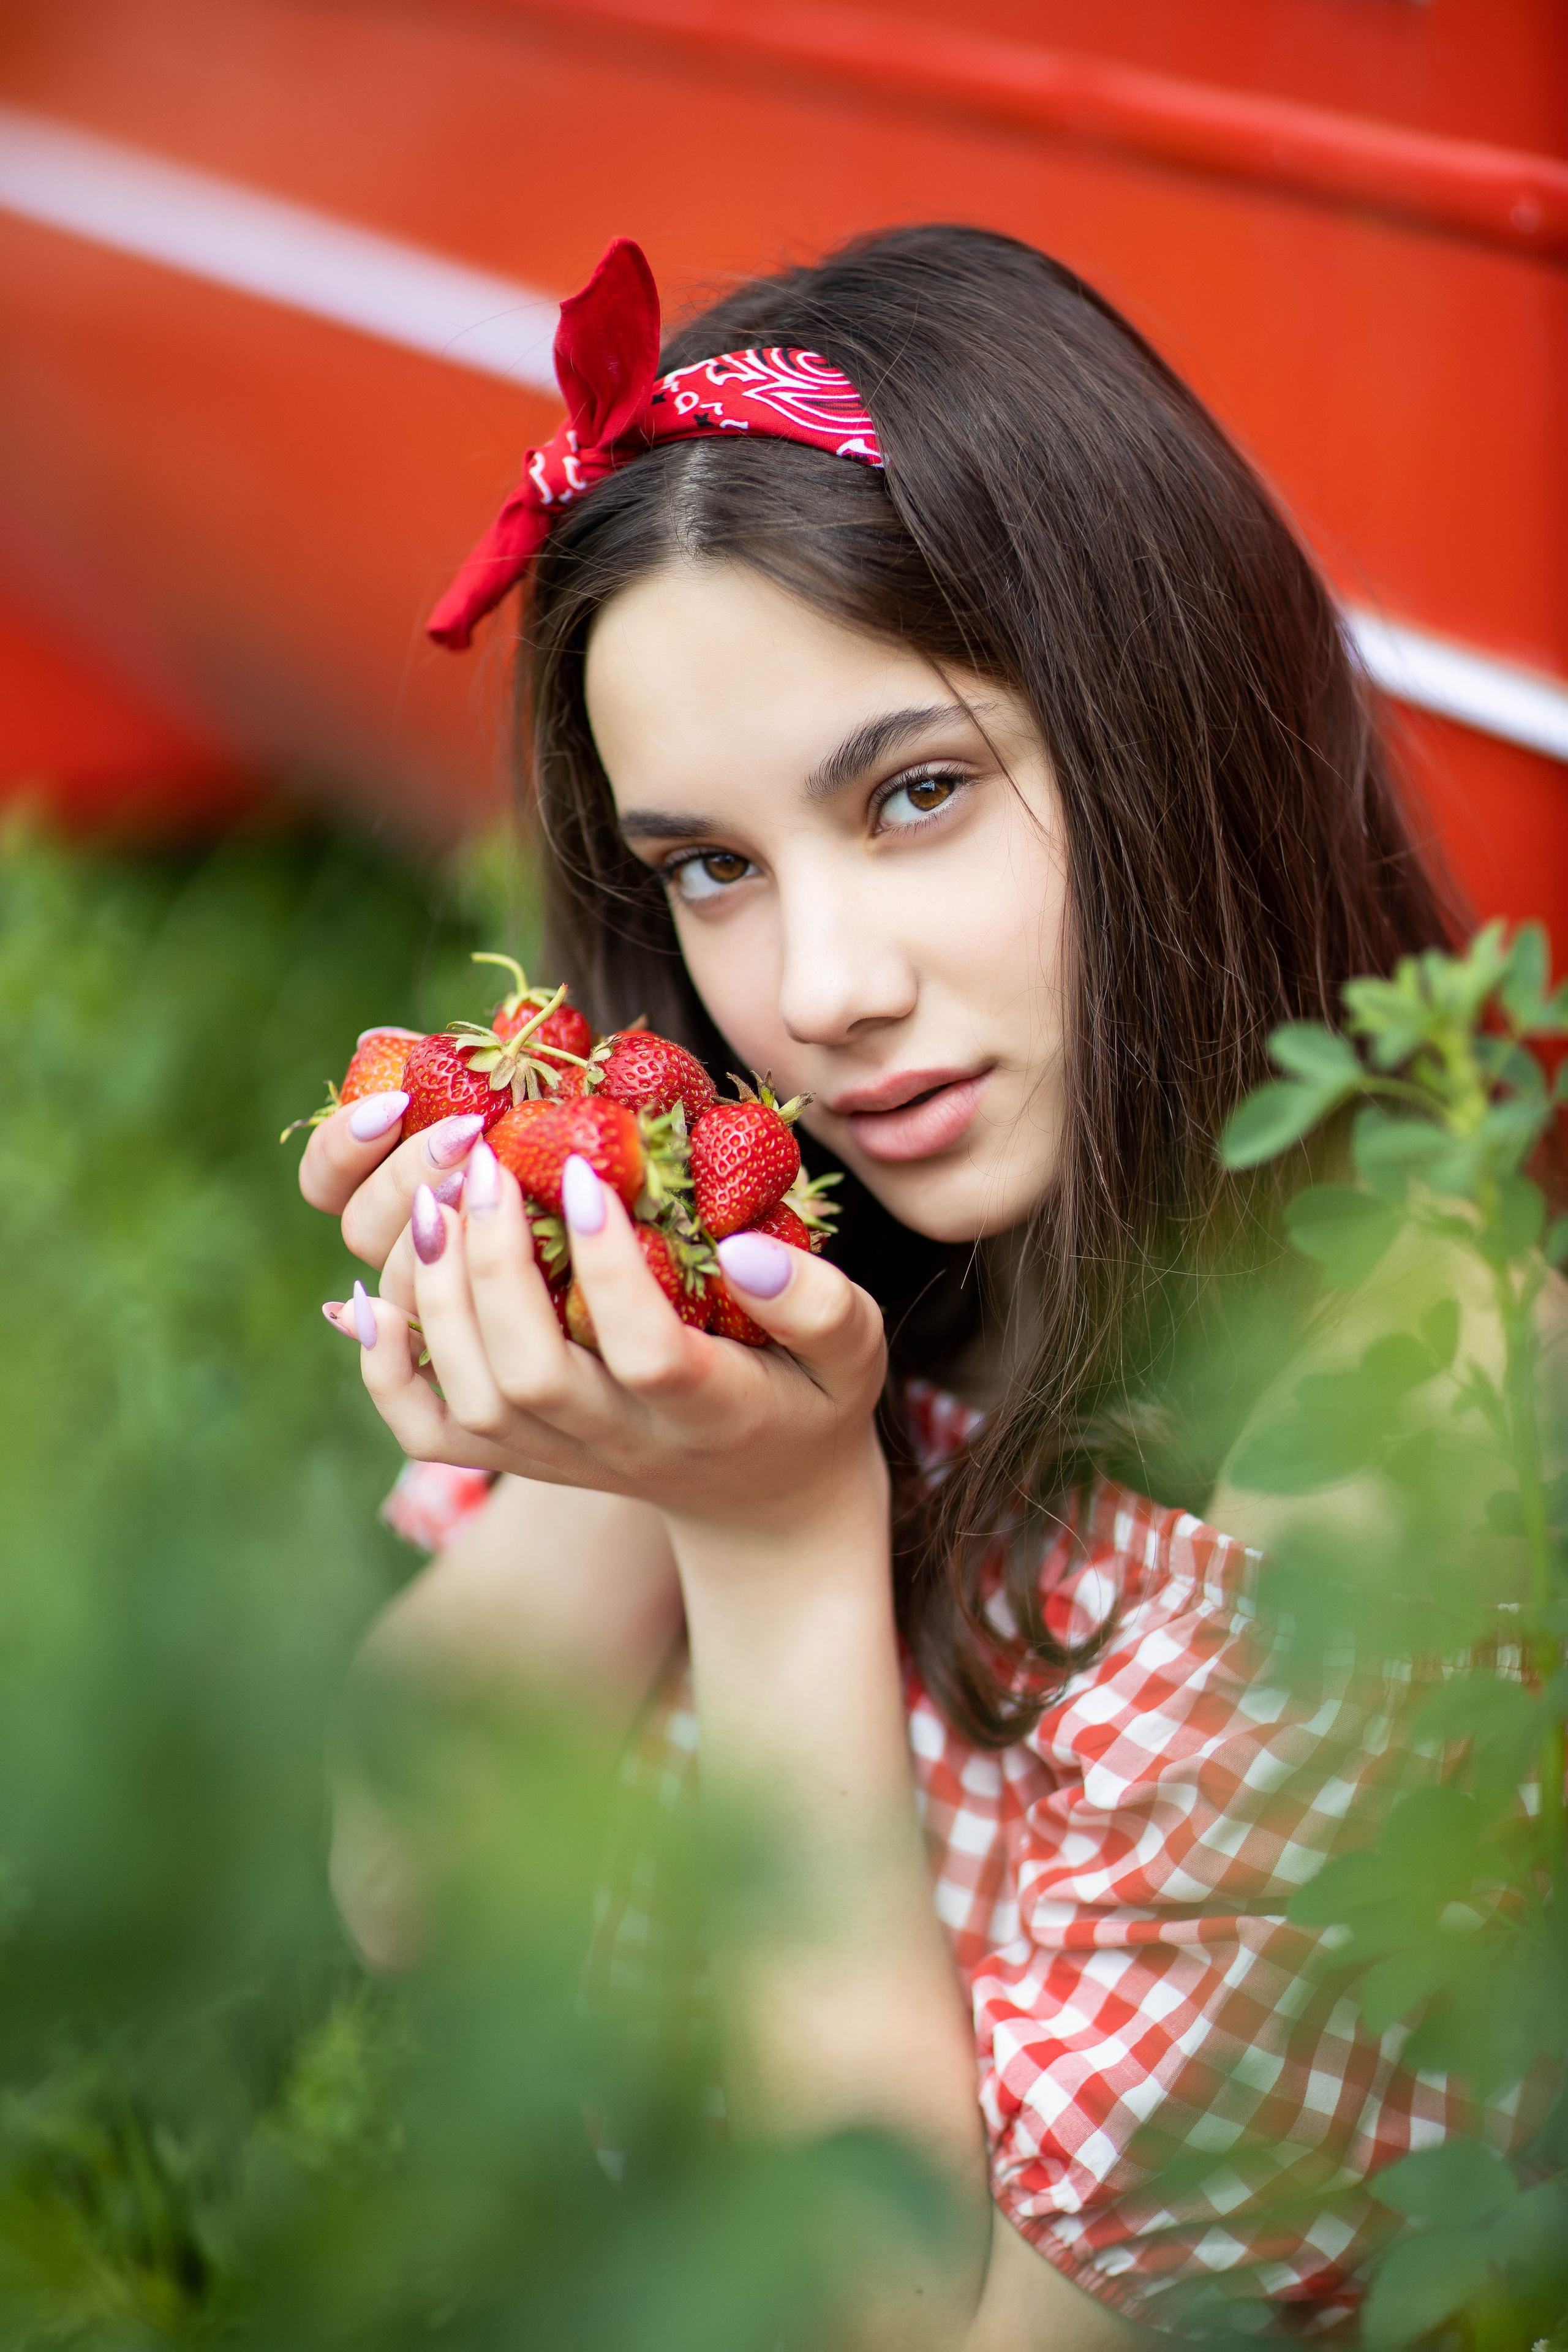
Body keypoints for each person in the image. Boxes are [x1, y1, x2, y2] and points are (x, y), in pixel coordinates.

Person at [302, 226, 1521, 2346]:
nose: (823, 994)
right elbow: (411, 1882)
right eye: (711, 867)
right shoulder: (879, 1239)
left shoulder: (1393, 1452)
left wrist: (771, 1538)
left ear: (1174, 724)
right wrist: (612, 1386)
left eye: (920, 792)